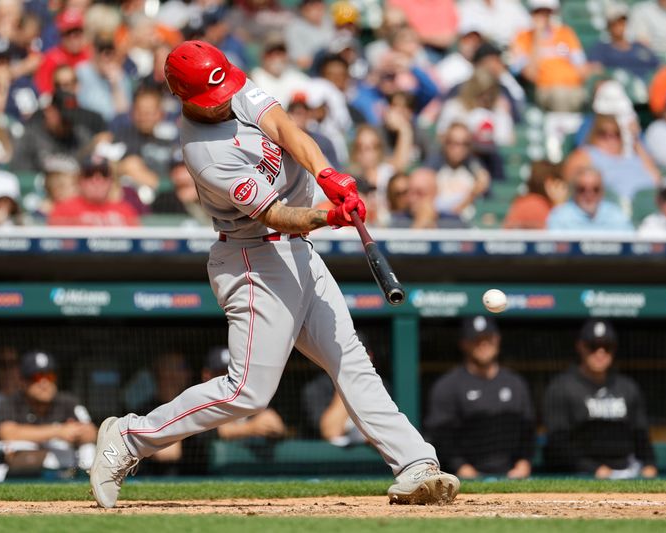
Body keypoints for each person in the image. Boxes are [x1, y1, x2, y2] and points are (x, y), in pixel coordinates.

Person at [89, 40, 459, 509]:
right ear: (185, 98)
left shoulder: (230, 83)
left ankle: (415, 464)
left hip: (297, 253)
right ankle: (129, 437)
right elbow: (276, 215)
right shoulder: (205, 152)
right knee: (246, 392)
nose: (224, 101)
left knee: (350, 360)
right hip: (253, 259)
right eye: (212, 98)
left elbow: (285, 127)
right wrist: (329, 216)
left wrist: (327, 174)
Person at [543, 320, 657, 478]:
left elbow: (641, 435)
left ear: (614, 349)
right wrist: (593, 468)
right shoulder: (561, 387)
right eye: (593, 346)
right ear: (581, 347)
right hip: (579, 474)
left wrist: (650, 465)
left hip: (626, 471)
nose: (600, 352)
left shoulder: (628, 387)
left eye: (607, 346)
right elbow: (557, 443)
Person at [425, 316, 535, 479]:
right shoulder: (448, 386)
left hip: (512, 474)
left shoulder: (515, 383)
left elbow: (528, 429)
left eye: (488, 338)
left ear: (497, 339)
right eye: (476, 339)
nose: (483, 344)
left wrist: (524, 463)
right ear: (464, 343)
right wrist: (460, 467)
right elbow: (440, 436)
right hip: (463, 476)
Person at [0, 350, 97, 473]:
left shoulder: (68, 402)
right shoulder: (11, 402)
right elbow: (7, 432)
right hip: (24, 467)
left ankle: (86, 482)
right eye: (36, 377)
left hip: (64, 464)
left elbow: (91, 432)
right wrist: (58, 431)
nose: (44, 383)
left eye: (49, 376)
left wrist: (76, 433)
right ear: (22, 381)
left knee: (88, 448)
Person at [510, 0, 590, 112]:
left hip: (573, 88)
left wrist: (567, 78)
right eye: (539, 13)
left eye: (547, 13)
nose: (543, 17)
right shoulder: (522, 37)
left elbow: (582, 68)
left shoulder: (566, 33)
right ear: (532, 14)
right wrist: (537, 37)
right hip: (546, 90)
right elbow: (530, 74)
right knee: (560, 95)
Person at [563, 114, 659, 203]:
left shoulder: (632, 156)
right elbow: (572, 183)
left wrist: (635, 139)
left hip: (654, 202)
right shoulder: (587, 154)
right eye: (603, 134)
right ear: (593, 135)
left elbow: (657, 179)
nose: (610, 139)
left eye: (616, 134)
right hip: (620, 207)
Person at [48, 153, 140, 226]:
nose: (97, 180)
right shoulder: (63, 211)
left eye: (104, 174)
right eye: (89, 174)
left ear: (111, 180)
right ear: (79, 180)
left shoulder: (126, 211)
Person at [426, 122, 490, 226]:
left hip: (467, 227)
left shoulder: (474, 167)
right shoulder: (434, 166)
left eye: (465, 144)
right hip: (437, 225)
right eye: (454, 143)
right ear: (445, 143)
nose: (459, 149)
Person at [586, 3, 659, 80]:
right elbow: (595, 72)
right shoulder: (601, 49)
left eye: (621, 22)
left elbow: (658, 67)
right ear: (608, 25)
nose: (619, 26)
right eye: (615, 23)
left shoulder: (640, 47)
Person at [547, 167, 634, 232]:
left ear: (602, 191)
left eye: (595, 189)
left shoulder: (616, 216)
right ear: (574, 191)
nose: (589, 194)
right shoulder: (560, 217)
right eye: (582, 189)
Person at [34, 8, 91, 96]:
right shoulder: (51, 59)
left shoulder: (91, 55)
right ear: (61, 35)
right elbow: (45, 92)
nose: (73, 39)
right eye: (68, 33)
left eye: (77, 33)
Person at [75, 36, 133, 123]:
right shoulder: (81, 72)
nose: (105, 56)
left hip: (113, 127)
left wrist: (115, 85)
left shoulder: (121, 77)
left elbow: (123, 114)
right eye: (101, 50)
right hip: (87, 124)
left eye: (110, 52)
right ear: (95, 52)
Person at [503, 160, 568, 229]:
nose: (565, 190)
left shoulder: (532, 202)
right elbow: (557, 234)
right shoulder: (535, 205)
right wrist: (559, 205)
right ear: (549, 183)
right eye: (560, 185)